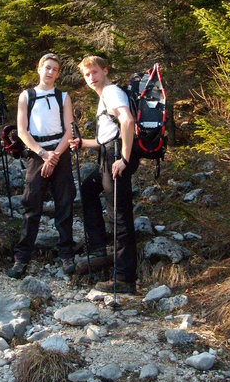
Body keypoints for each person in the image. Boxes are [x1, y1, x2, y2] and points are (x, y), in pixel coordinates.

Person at [70, 55, 139, 294]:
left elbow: (127, 122)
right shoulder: (104, 97)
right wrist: (82, 143)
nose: (91, 78)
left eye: (94, 72)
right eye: (87, 75)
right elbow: (104, 138)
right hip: (107, 156)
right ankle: (98, 247)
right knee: (89, 188)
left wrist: (125, 160)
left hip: (116, 158)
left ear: (105, 71)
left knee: (119, 215)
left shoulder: (111, 92)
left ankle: (124, 278)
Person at [8, 53, 76, 278]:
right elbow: (21, 131)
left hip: (60, 153)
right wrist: (43, 154)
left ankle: (67, 254)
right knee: (31, 206)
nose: (50, 72)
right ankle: (22, 257)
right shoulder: (26, 96)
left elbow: (70, 131)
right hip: (37, 155)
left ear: (58, 73)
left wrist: (54, 156)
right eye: (47, 67)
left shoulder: (63, 97)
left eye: (55, 69)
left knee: (64, 205)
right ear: (39, 69)